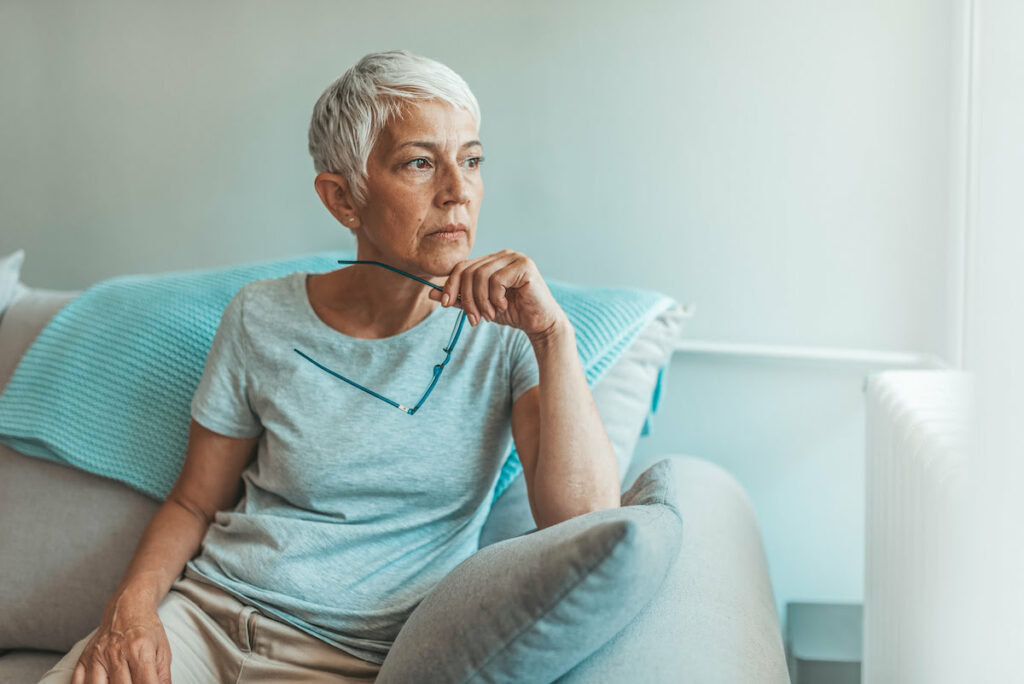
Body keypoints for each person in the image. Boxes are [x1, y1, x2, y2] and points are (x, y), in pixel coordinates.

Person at [40, 49, 620, 684]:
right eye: (420, 162)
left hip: (355, 661)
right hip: (204, 620)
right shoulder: (259, 316)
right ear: (343, 198)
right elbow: (193, 502)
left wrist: (553, 335)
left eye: (472, 160)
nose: (458, 191)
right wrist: (130, 611)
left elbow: (586, 526)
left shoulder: (509, 334)